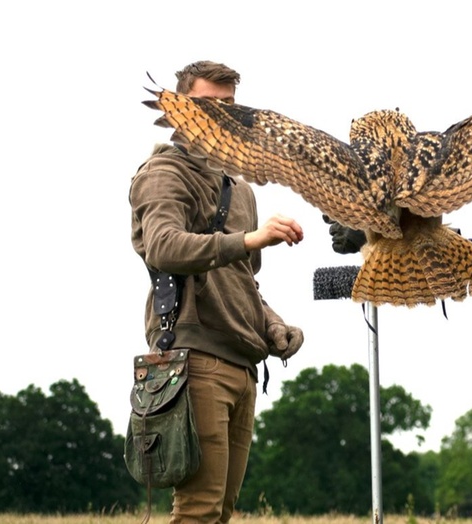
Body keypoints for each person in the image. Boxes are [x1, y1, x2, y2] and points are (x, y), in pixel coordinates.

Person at [129, 60, 306, 523]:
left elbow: (243, 280)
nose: (224, 115)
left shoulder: (240, 190)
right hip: (194, 358)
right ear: (180, 107)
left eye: (231, 106)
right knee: (199, 511)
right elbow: (164, 245)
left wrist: (273, 326)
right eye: (210, 105)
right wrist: (251, 239)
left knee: (222, 511)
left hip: (242, 363)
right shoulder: (166, 172)